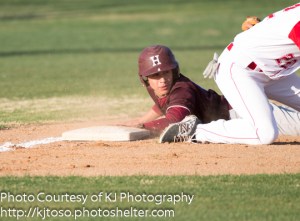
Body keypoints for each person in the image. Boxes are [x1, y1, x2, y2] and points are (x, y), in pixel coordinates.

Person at [159, 3, 300, 145]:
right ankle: (197, 131)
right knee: (265, 134)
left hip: (274, 71)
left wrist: (263, 33)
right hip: (240, 70)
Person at [121, 44, 300, 139]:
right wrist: (140, 120)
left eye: (166, 72)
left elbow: (175, 119)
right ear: (145, 79)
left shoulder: (181, 90)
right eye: (155, 75)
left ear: (174, 71)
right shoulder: (158, 88)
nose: (162, 79)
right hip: (235, 114)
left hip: (240, 113)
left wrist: (143, 127)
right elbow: (162, 105)